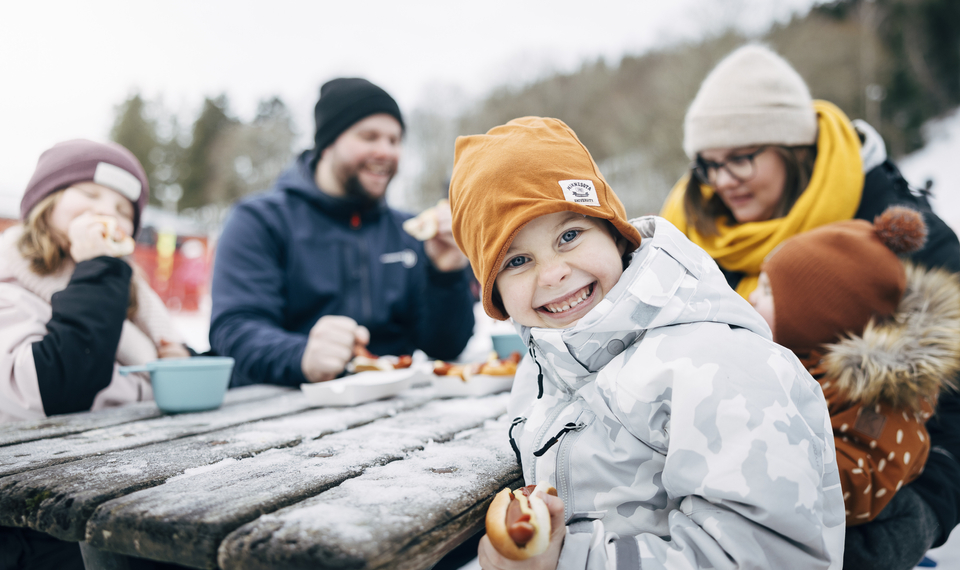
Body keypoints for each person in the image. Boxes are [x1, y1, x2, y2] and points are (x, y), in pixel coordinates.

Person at [449, 117, 844, 569]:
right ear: (495, 295)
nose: (554, 272)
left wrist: (570, 562)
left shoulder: (719, 367)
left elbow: (767, 557)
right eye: (517, 260)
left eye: (569, 236)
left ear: (615, 234)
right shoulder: (544, 368)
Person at [660, 43, 960, 569]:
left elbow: (951, 400)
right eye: (708, 165)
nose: (722, 180)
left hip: (867, 505)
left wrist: (919, 516)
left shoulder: (904, 240)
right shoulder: (693, 234)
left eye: (741, 157)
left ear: (793, 149)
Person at [0, 139, 192, 570]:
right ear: (44, 207)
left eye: (124, 210)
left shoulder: (130, 308)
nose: (107, 212)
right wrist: (101, 269)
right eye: (88, 196)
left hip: (136, 502)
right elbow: (53, 389)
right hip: (42, 529)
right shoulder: (9, 292)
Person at [209, 78, 475, 387]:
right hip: (276, 411)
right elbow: (234, 328)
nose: (385, 151)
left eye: (394, 140)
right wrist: (300, 355)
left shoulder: (408, 232)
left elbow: (445, 347)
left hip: (394, 414)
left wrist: (446, 275)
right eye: (369, 137)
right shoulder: (259, 221)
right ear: (328, 143)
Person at [747, 207, 960, 532]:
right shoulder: (788, 360)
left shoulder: (878, 400)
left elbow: (858, 483)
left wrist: (760, 457)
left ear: (817, 315)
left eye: (768, 291)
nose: (750, 297)